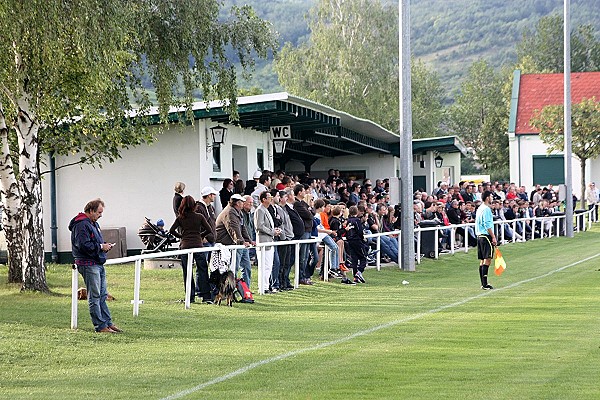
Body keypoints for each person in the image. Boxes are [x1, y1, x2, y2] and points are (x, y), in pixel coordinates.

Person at [69, 198, 122, 333]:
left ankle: (107, 323)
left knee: (103, 294)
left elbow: (92, 242)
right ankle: (100, 326)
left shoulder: (92, 224)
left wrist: (103, 246)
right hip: (88, 263)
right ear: (91, 211)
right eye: (99, 212)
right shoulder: (81, 225)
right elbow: (83, 245)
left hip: (97, 262)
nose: (100, 215)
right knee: (95, 296)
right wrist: (101, 246)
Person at [169, 195, 214, 303]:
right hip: (198, 246)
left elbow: (171, 230)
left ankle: (190, 296)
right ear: (194, 205)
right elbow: (209, 229)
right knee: (203, 270)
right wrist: (200, 235)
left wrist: (181, 236)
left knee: (187, 271)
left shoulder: (180, 218)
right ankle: (206, 296)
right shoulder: (199, 217)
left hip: (185, 247)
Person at [216, 194, 254, 286]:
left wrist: (249, 240)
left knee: (246, 267)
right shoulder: (229, 212)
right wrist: (241, 242)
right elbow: (233, 229)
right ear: (237, 203)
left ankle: (246, 291)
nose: (243, 203)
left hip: (238, 244)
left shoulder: (238, 212)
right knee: (234, 268)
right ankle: (231, 290)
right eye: (242, 202)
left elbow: (242, 227)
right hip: (231, 245)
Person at [254, 191, 281, 293]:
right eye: (269, 197)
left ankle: (266, 286)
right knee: (264, 266)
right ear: (264, 199)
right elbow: (259, 226)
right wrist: (272, 232)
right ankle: (263, 287)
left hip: (269, 241)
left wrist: (275, 231)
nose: (271, 199)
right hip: (264, 241)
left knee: (269, 266)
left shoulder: (265, 210)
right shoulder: (260, 210)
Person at [195, 186, 218, 297]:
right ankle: (200, 290)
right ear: (209, 195)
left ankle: (208, 288)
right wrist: (202, 237)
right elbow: (198, 224)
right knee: (202, 267)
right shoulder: (199, 208)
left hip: (211, 240)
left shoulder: (210, 208)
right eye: (213, 195)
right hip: (205, 241)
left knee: (212, 266)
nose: (214, 197)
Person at [475, 191, 497, 290]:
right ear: (488, 198)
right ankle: (484, 284)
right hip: (485, 236)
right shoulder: (487, 209)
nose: (492, 198)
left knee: (482, 259)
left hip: (479, 235)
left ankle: (483, 283)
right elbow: (487, 224)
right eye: (491, 196)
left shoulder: (480, 208)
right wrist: (493, 236)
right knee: (487, 259)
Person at [345, 205, 368, 284]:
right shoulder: (357, 220)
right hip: (357, 241)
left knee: (354, 259)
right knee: (363, 257)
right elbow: (359, 231)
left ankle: (355, 277)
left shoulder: (348, 221)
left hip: (350, 241)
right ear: (356, 212)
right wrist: (362, 239)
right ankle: (359, 272)